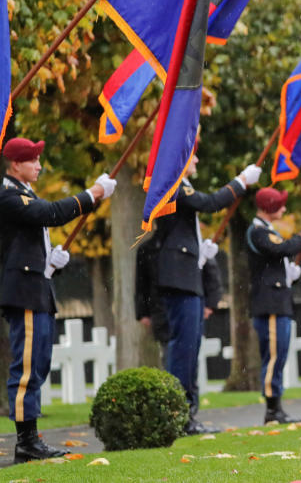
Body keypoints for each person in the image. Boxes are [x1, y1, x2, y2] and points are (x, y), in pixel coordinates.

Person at [0, 137, 116, 462]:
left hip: (37, 287)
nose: (39, 165)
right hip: (23, 291)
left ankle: (31, 439)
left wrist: (50, 262)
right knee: (25, 368)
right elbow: (50, 214)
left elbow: (28, 240)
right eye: (33, 160)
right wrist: (92, 195)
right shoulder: (9, 196)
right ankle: (25, 441)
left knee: (38, 365)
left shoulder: (24, 194)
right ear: (15, 165)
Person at [154, 153, 261, 434]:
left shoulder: (177, 186)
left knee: (190, 348)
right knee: (184, 348)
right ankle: (180, 413)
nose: (198, 160)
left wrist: (199, 254)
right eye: (192, 156)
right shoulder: (176, 184)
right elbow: (209, 203)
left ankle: (188, 412)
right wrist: (241, 182)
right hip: (180, 279)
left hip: (187, 275)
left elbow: (184, 226)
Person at [246, 187, 301, 423]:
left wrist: (290, 275)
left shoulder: (267, 230)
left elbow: (276, 259)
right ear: (269, 207)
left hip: (279, 301)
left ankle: (276, 406)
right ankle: (272, 408)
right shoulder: (258, 231)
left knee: (279, 356)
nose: (285, 208)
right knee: (274, 356)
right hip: (269, 303)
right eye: (280, 204)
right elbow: (281, 249)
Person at [135, 232, 224, 404]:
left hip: (188, 309)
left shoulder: (192, 246)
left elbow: (210, 274)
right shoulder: (149, 249)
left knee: (190, 361)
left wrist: (209, 303)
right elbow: (142, 284)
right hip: (162, 311)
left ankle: (188, 405)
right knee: (172, 359)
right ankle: (177, 404)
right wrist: (143, 312)